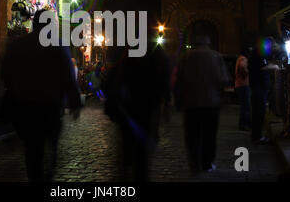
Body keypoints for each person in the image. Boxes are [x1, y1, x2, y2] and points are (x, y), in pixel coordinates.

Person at [2, 9, 81, 182]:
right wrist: (74, 101)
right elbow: (68, 76)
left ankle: (35, 176)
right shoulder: (57, 46)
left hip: (25, 107)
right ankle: (47, 173)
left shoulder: (19, 45)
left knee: (32, 150)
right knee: (50, 147)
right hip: (50, 107)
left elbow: (5, 72)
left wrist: (14, 92)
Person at [103, 36, 171, 182]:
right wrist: (166, 104)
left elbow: (113, 80)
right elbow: (164, 82)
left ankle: (125, 176)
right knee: (141, 154)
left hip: (128, 109)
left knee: (126, 149)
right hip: (146, 108)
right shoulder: (157, 58)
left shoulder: (127, 57)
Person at [175, 35, 229, 174]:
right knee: (209, 136)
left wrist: (179, 100)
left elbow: (178, 80)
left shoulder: (185, 58)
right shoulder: (215, 56)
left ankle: (194, 164)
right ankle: (207, 163)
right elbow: (222, 79)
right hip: (211, 104)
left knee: (192, 136)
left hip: (191, 104)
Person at [248, 41, 271, 144]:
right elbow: (261, 67)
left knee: (259, 113)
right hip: (259, 89)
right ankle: (257, 137)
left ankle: (257, 135)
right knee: (259, 113)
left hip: (259, 88)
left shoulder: (259, 55)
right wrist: (274, 67)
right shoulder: (257, 55)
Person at [235, 50, 251, 131]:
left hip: (240, 85)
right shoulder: (243, 59)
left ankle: (243, 124)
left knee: (244, 106)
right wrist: (248, 72)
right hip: (243, 85)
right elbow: (242, 66)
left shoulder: (239, 58)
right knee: (246, 106)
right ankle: (244, 125)